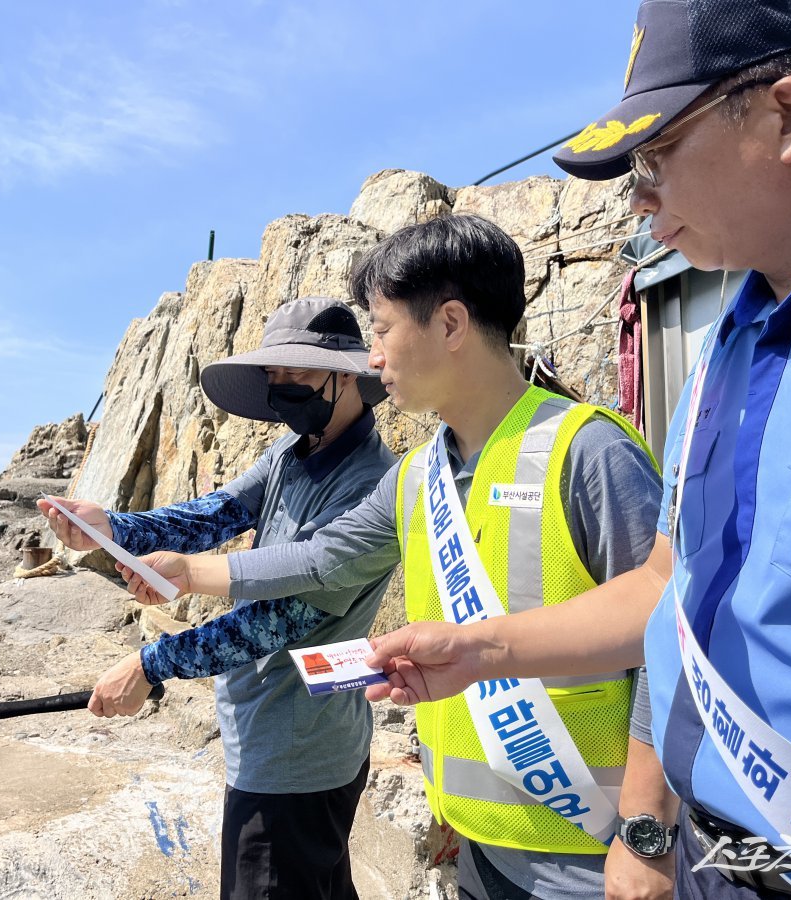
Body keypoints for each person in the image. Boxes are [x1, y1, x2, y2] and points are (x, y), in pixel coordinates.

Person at [360, 2, 791, 897]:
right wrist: (480, 652)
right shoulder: (725, 351)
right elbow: (670, 592)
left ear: (789, 116)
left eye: (656, 157)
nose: (639, 197)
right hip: (717, 862)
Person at [117, 214, 666, 900]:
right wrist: (185, 568)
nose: (372, 357)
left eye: (379, 329)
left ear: (451, 324)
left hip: (592, 857)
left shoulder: (589, 452)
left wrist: (649, 835)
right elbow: (323, 559)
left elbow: (672, 643)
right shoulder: (416, 476)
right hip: (482, 851)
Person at [38, 297, 396, 900]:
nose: (282, 392)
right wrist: (113, 528)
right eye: (273, 379)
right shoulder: (294, 451)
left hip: (298, 758)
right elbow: (217, 514)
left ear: (347, 375)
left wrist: (150, 666)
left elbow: (269, 625)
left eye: (297, 377)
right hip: (273, 739)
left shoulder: (370, 485)